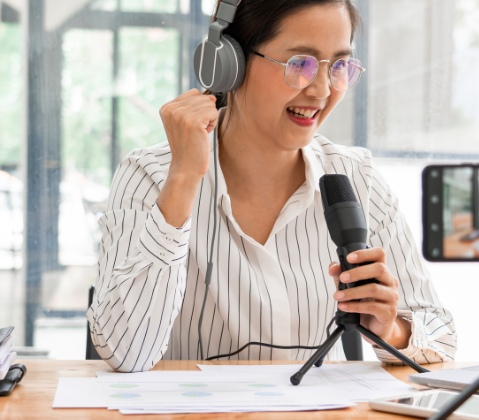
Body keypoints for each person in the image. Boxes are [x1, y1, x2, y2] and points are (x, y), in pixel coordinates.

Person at [88, 0, 456, 373]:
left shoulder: (356, 178)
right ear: (229, 64)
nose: (322, 90)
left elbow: (440, 336)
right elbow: (126, 353)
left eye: (339, 66)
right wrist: (183, 178)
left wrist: (390, 329)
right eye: (300, 64)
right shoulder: (150, 175)